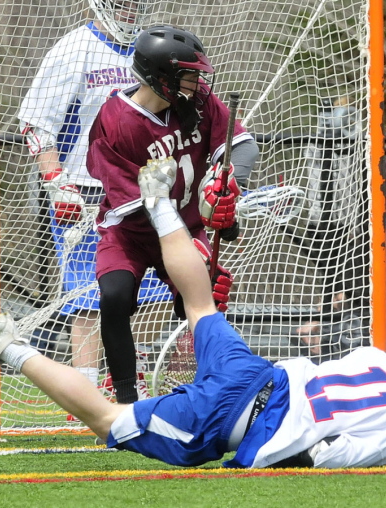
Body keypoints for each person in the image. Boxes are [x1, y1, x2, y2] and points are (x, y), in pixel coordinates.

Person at [0, 160, 386, 468]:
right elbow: (331, 452)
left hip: (255, 372)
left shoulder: (373, 357)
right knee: (109, 420)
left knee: (200, 301)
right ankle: (6, 346)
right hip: (230, 418)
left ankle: (160, 207)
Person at [86, 24, 259, 404]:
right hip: (131, 229)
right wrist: (188, 248)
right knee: (114, 297)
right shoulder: (114, 120)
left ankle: (221, 388)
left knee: (206, 298)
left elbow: (242, 146)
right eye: (187, 74)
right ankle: (127, 399)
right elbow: (134, 200)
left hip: (188, 225)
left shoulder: (199, 102)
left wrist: (228, 182)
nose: (196, 82)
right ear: (159, 76)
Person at [16, 0, 169, 401]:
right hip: (84, 191)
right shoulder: (73, 49)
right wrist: (55, 180)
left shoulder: (150, 49)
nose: (130, 10)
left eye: (136, 3)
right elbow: (36, 121)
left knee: (153, 290)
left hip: (142, 188)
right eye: (123, 3)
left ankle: (130, 375)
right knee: (86, 296)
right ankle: (85, 389)